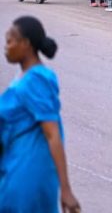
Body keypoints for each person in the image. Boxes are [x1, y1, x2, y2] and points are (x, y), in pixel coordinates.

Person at [0, 16, 81, 212]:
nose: (5, 47)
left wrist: (66, 189)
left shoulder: (35, 81)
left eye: (10, 41)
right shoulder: (26, 78)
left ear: (26, 44)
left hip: (26, 176)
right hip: (14, 167)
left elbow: (52, 134)